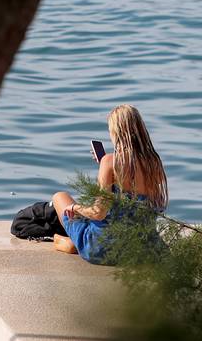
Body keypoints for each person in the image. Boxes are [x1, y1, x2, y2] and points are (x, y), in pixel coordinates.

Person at [52, 104, 168, 264]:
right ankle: (76, 243)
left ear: (116, 132)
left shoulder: (110, 162)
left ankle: (72, 242)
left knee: (60, 197)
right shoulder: (155, 164)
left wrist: (75, 208)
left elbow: (98, 213)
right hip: (143, 251)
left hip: (102, 249)